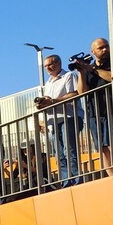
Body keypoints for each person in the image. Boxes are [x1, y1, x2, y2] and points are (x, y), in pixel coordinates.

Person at [34, 55, 82, 187]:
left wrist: (53, 101)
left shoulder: (69, 76)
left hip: (69, 118)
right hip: (53, 122)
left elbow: (74, 94)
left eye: (49, 64)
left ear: (58, 63)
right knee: (58, 154)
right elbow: (49, 100)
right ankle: (67, 182)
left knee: (69, 150)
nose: (47, 68)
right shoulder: (48, 83)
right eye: (45, 66)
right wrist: (43, 104)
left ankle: (77, 180)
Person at [75, 38, 113, 178]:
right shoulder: (88, 69)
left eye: (106, 46)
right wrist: (81, 72)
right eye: (101, 48)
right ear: (92, 52)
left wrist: (93, 69)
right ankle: (112, 176)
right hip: (95, 112)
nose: (105, 49)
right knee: (102, 147)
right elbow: (82, 92)